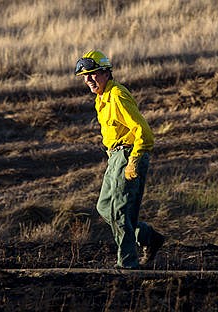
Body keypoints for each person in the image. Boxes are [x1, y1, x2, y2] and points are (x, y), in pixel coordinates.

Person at [75, 50, 165, 269]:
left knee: (119, 212)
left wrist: (134, 159)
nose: (88, 80)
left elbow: (144, 131)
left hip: (129, 154)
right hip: (115, 156)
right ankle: (148, 237)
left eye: (93, 74)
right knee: (105, 207)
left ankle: (127, 265)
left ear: (106, 73)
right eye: (85, 76)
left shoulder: (117, 95)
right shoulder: (101, 98)